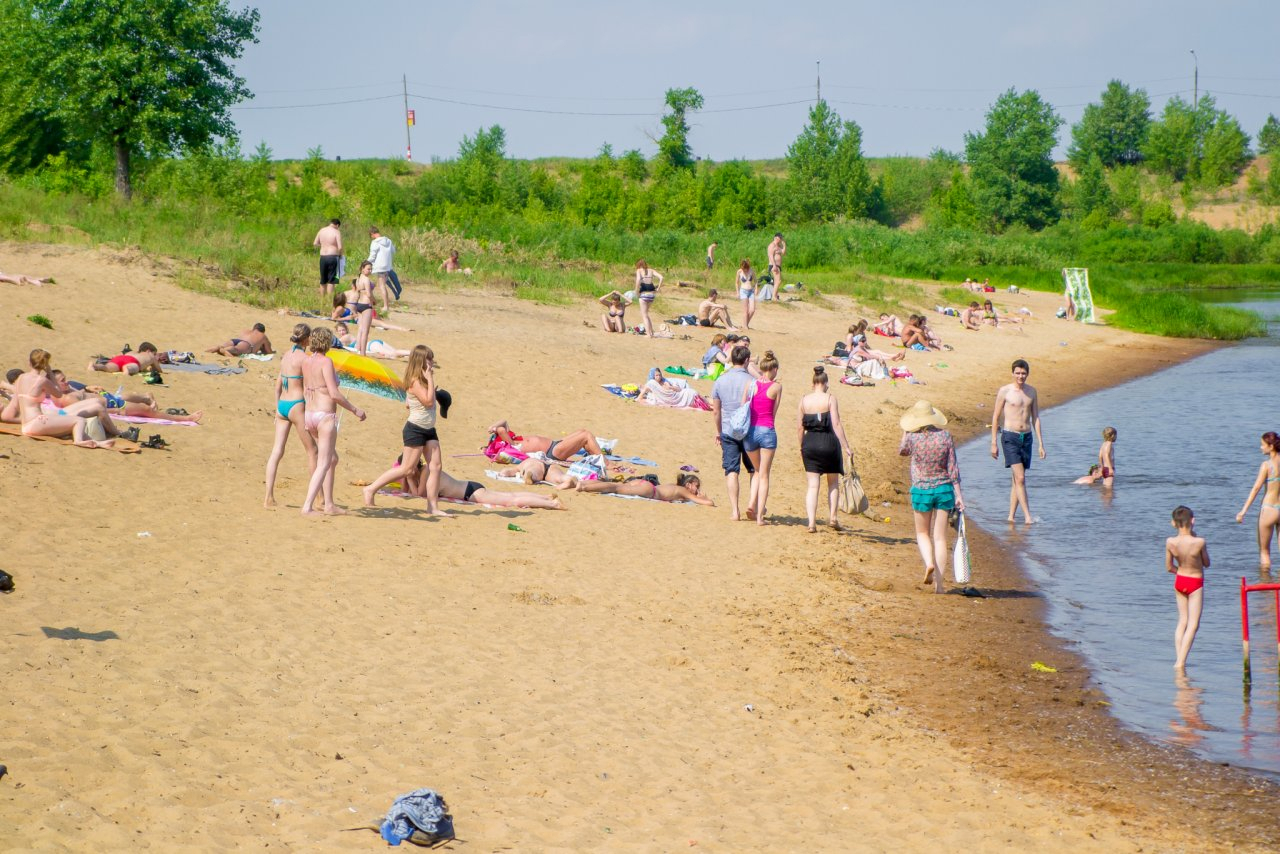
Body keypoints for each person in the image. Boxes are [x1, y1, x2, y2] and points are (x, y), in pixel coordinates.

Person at [362, 345, 450, 516]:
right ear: (421, 361)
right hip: (415, 429)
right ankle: (370, 489)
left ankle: (433, 507)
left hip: (429, 429)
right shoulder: (416, 380)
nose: (431, 362)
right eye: (429, 359)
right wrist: (430, 379)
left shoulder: (421, 380)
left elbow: (410, 403)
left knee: (436, 466)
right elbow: (429, 402)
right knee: (407, 469)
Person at [899, 400, 964, 593]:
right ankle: (940, 586)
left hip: (921, 489)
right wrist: (959, 495)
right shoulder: (945, 436)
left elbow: (902, 451)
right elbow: (953, 468)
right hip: (944, 489)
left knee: (922, 533)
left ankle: (929, 563)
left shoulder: (912, 438)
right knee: (940, 538)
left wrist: (906, 430)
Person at [300, 327, 366, 517]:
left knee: (332, 459)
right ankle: (308, 506)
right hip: (324, 416)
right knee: (324, 462)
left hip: (310, 415)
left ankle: (329, 504)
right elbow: (334, 394)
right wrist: (355, 410)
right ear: (327, 342)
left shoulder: (306, 361)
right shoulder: (326, 361)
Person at [13, 349, 121, 448]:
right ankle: (78, 441)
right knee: (79, 420)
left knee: (68, 421)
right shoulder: (41, 380)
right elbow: (59, 394)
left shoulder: (21, 378)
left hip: (26, 424)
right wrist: (50, 372)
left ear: (29, 362)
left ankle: (97, 443)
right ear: (44, 364)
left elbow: (17, 401)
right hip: (36, 423)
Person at [264, 324, 318, 508]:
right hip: (296, 405)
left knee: (277, 451)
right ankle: (319, 498)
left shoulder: (286, 356)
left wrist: (276, 407)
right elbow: (309, 388)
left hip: (282, 406)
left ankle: (268, 497)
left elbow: (277, 385)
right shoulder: (305, 359)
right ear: (306, 339)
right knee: (312, 451)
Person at [990, 359, 1045, 524]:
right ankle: (1028, 516)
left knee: (1016, 479)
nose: (1021, 376)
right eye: (1018, 373)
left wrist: (1041, 443)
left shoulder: (1032, 392)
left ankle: (1011, 516)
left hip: (1026, 437)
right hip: (1010, 436)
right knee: (1020, 478)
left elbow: (1035, 417)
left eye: (1023, 373)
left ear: (1027, 374)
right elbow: (995, 416)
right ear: (1013, 373)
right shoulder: (1005, 391)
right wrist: (993, 442)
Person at [798, 366, 851, 533]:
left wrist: (802, 446)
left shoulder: (804, 400)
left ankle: (812, 523)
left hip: (810, 443)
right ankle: (833, 517)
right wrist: (846, 446)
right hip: (829, 443)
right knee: (833, 482)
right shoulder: (830, 398)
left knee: (813, 486)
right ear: (825, 383)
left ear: (813, 383)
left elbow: (800, 428)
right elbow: (836, 424)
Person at [48, 370, 203, 423]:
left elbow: (82, 387)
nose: (67, 382)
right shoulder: (68, 399)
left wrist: (88, 387)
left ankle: (147, 397)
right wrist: (116, 412)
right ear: (54, 384)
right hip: (112, 405)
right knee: (147, 411)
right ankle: (185, 419)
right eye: (63, 381)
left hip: (108, 397)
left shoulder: (70, 388)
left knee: (126, 397)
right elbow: (88, 410)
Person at [711, 344, 756, 520]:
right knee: (754, 470)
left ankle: (735, 511)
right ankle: (753, 506)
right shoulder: (752, 381)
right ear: (746, 360)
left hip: (729, 429)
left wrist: (718, 431)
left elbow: (716, 411)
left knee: (731, 470)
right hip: (748, 429)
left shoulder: (721, 380)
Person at [1166, 505, 1209, 670]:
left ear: (1173, 523)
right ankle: (1180, 662)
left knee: (1182, 621)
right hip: (1195, 582)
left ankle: (1179, 657)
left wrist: (1180, 572)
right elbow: (1206, 563)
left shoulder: (1170, 542)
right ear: (1193, 521)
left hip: (1180, 580)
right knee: (1193, 624)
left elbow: (1169, 567)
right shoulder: (1199, 542)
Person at [744, 351, 781, 526]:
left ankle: (751, 504)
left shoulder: (750, 384)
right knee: (765, 475)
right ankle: (760, 516)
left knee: (757, 471)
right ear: (773, 369)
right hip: (766, 430)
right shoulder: (776, 387)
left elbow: (743, 406)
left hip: (749, 431)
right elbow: (774, 413)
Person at [1235, 431, 1280, 572]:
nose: (1261, 448)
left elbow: (1256, 489)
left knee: (1264, 551)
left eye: (1262, 445)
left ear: (1271, 446)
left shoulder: (1266, 465)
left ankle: (1266, 583)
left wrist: (1243, 511)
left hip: (1269, 509)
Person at [488, 420, 604, 461]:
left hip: (554, 444)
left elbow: (504, 422)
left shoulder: (512, 439)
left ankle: (595, 456)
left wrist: (492, 428)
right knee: (586, 435)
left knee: (582, 431)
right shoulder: (510, 446)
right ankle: (605, 462)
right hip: (552, 452)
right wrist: (494, 429)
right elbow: (501, 429)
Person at [576, 473, 714, 505]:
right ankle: (584, 486)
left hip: (643, 483)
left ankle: (581, 482)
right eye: (697, 486)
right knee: (616, 488)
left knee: (616, 484)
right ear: (689, 484)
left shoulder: (675, 487)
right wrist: (703, 497)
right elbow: (708, 503)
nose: (697, 490)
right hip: (650, 491)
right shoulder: (683, 491)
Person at [637, 368, 709, 409]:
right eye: (656, 375)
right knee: (703, 403)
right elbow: (644, 389)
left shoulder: (665, 382)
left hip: (683, 393)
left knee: (702, 399)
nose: (658, 377)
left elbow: (677, 390)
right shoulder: (652, 383)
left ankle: (715, 404)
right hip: (679, 397)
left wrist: (670, 387)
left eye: (659, 375)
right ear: (653, 376)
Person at [333, 321, 411, 358]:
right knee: (400, 355)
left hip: (371, 346)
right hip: (374, 343)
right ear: (337, 331)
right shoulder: (348, 337)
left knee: (394, 354)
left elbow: (335, 343)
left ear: (346, 329)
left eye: (343, 330)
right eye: (340, 331)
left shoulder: (347, 337)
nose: (342, 332)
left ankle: (414, 353)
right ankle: (413, 354)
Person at [366, 226, 396, 314]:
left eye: (370, 235)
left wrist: (366, 262)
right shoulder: (389, 240)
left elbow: (372, 256)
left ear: (372, 234)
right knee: (381, 285)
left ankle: (386, 306)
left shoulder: (375, 242)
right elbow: (393, 251)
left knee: (382, 286)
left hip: (380, 266)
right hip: (387, 266)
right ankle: (382, 304)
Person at [89, 342, 168, 375]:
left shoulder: (132, 352)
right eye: (154, 353)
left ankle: (94, 366)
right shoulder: (150, 355)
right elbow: (158, 370)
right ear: (148, 351)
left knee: (107, 368)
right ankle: (127, 369)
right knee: (132, 367)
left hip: (121, 358)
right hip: (132, 362)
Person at [313, 218, 343, 302]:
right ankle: (329, 300)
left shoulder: (322, 230)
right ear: (337, 225)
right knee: (331, 280)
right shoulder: (336, 232)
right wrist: (340, 255)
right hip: (332, 256)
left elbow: (315, 243)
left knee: (323, 280)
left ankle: (322, 300)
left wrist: (323, 245)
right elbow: (340, 247)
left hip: (323, 257)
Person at [634, 259, 663, 338]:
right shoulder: (651, 270)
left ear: (638, 265)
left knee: (644, 315)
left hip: (643, 294)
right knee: (646, 314)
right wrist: (658, 288)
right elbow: (661, 277)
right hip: (651, 295)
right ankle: (651, 332)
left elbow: (638, 280)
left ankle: (648, 334)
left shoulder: (639, 271)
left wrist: (636, 291)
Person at [206, 323, 272, 357]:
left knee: (221, 346)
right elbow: (269, 351)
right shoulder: (263, 336)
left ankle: (213, 349)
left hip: (236, 340)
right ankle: (224, 350)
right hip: (246, 344)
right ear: (263, 331)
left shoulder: (246, 331)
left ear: (254, 328)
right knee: (235, 349)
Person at [736, 259, 757, 329]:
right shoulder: (739, 272)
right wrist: (737, 292)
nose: (745, 271)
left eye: (746, 269)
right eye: (744, 269)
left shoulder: (751, 271)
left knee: (752, 310)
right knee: (745, 310)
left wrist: (756, 289)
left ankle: (745, 324)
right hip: (743, 291)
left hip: (751, 291)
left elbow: (756, 281)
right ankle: (745, 326)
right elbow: (736, 282)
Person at [766, 233, 786, 299]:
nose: (780, 240)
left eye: (781, 238)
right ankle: (774, 296)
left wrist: (784, 245)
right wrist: (774, 265)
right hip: (773, 265)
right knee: (778, 281)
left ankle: (775, 295)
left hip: (778, 266)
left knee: (776, 281)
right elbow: (770, 256)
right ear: (775, 238)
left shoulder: (778, 246)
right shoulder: (772, 245)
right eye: (779, 238)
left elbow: (783, 253)